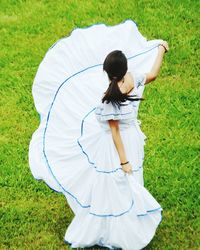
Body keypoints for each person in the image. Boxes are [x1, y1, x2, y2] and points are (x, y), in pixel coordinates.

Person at [28, 20, 169, 249]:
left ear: (107, 73)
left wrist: (122, 160)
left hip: (116, 144)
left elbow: (114, 132)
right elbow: (152, 74)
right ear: (125, 70)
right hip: (128, 139)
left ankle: (121, 222)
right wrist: (161, 49)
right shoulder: (132, 79)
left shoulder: (107, 99)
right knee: (123, 181)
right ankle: (126, 220)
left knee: (112, 182)